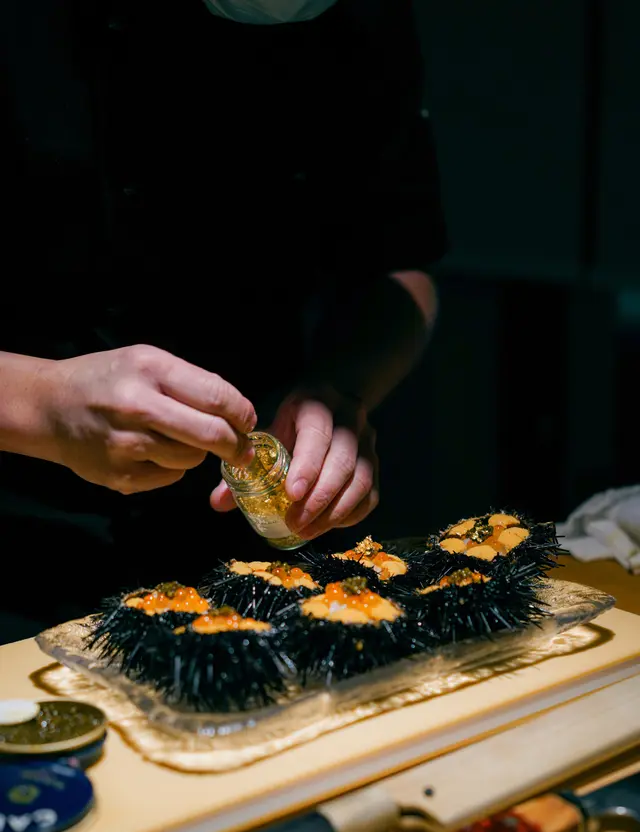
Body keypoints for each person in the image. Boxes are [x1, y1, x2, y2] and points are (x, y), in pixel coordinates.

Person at [0, 0, 447, 643]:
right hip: (15, 538)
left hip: (242, 546)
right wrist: (36, 406)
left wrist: (343, 388)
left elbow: (399, 266)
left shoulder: (361, 20)